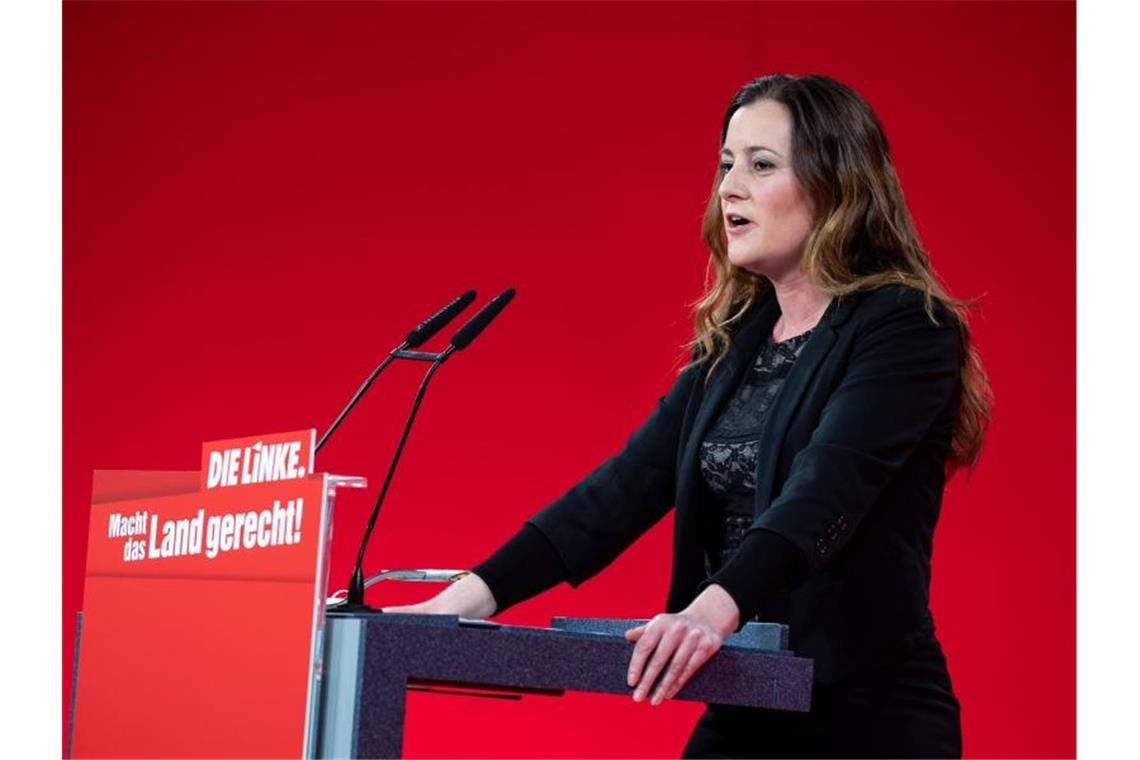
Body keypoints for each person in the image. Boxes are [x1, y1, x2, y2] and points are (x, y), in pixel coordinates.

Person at [384, 73, 992, 759]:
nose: (730, 187)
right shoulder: (735, 343)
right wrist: (465, 600)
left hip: (871, 719)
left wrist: (709, 610)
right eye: (726, 164)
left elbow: (827, 490)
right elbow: (621, 489)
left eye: (761, 165)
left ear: (835, 185)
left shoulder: (907, 327)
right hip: (751, 701)